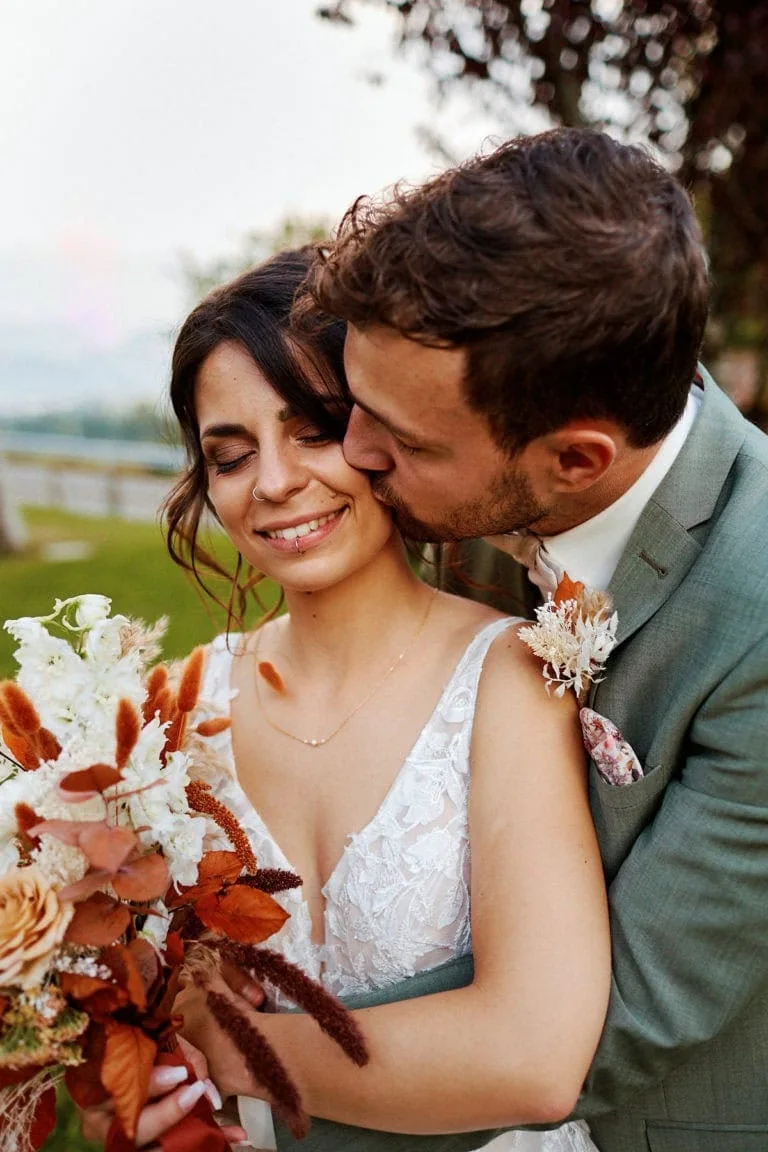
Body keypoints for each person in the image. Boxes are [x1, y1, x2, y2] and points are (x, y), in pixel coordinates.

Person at [292, 127, 768, 1152]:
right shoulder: (469, 471)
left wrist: (233, 1084)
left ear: (577, 460)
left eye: (406, 441)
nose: (356, 454)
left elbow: (613, 1018)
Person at [78, 249, 609, 1152]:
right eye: (233, 455)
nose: (275, 483)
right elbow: (129, 1039)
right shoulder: (178, 716)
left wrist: (232, 1045)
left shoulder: (510, 681)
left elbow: (534, 1059)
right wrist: (131, 1093)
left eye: (314, 430)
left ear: (382, 437)